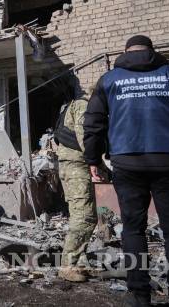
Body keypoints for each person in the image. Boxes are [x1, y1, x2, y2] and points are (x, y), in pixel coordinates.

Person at [83, 35, 169, 307]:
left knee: (133, 229)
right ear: (152, 51)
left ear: (126, 52)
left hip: (126, 164)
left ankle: (139, 296)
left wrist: (93, 159)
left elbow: (94, 123)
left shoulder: (109, 80)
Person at [54, 79, 97, 282]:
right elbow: (85, 137)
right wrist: (95, 161)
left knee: (80, 215)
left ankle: (79, 262)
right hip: (76, 167)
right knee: (85, 217)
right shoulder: (84, 106)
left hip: (72, 166)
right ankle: (68, 265)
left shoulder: (77, 104)